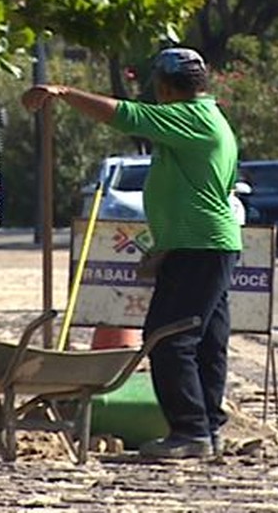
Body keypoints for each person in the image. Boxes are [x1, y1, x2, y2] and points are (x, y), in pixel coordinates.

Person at [23, 47, 241, 459]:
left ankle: (190, 431)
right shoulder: (208, 119)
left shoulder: (190, 116)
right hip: (203, 244)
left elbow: (124, 115)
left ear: (162, 86)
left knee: (168, 338)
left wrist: (64, 91)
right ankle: (206, 430)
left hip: (200, 245)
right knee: (205, 342)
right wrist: (164, 246)